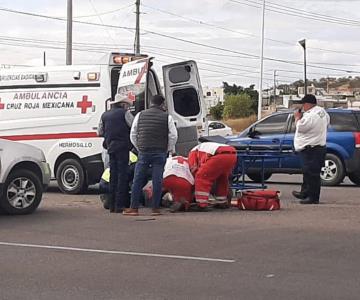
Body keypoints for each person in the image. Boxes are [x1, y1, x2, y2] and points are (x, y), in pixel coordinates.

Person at [123, 95, 178, 216]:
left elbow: (133, 134)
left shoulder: (140, 115)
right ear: (162, 104)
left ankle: (134, 208)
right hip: (159, 152)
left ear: (151, 103)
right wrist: (167, 149)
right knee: (157, 180)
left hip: (144, 151)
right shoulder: (167, 117)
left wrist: (139, 147)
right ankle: (155, 209)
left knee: (137, 179)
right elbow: (173, 136)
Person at [292, 94, 330, 205]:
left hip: (311, 148)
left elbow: (301, 128)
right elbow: (327, 123)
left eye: (303, 104)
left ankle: (313, 197)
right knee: (307, 172)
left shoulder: (310, 116)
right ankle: (305, 192)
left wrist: (297, 117)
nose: (303, 107)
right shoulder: (322, 112)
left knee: (311, 173)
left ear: (308, 104)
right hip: (317, 146)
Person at [100, 94, 134, 213]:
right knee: (122, 176)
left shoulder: (104, 115)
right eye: (127, 105)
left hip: (111, 148)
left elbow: (100, 132)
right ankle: (120, 205)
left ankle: (112, 205)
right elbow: (133, 125)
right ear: (123, 104)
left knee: (113, 176)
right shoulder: (124, 113)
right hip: (123, 148)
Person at [188, 142, 237, 208]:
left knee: (201, 177)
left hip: (218, 155)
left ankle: (201, 204)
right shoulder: (202, 148)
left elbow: (193, 170)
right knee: (222, 178)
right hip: (232, 154)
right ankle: (221, 202)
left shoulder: (192, 152)